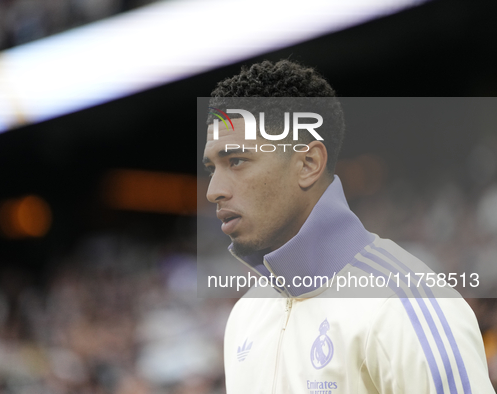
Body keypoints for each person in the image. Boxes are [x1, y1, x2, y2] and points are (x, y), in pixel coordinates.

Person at [202, 60, 494, 393]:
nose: (214, 190)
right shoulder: (245, 316)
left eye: (236, 161)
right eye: (212, 168)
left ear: (308, 164)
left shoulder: (407, 304)